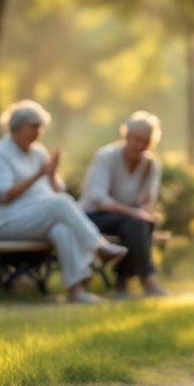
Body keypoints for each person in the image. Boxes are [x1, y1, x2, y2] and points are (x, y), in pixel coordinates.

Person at [0, 100, 127, 304]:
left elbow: (57, 190)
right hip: (3, 221)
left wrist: (52, 174)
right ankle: (98, 247)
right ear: (17, 127)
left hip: (33, 218)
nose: (38, 132)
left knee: (61, 229)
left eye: (40, 128)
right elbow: (3, 196)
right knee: (61, 204)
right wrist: (39, 174)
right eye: (34, 127)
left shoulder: (38, 152)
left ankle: (76, 291)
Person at [80, 111, 169, 298]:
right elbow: (98, 198)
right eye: (136, 139)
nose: (140, 145)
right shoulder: (106, 157)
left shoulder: (151, 165)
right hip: (93, 216)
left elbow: (147, 202)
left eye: (145, 141)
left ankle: (124, 282)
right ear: (126, 136)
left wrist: (141, 210)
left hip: (127, 221)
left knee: (140, 222)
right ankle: (147, 280)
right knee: (134, 222)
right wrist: (133, 212)